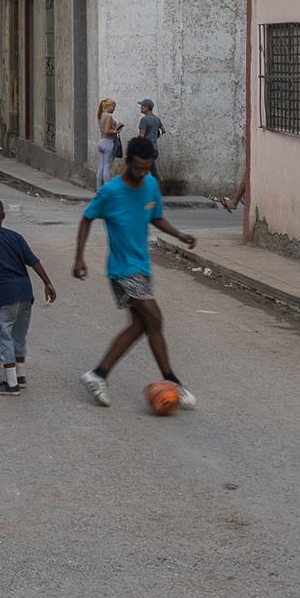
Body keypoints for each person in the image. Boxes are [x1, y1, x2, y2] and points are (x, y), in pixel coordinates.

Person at [73, 136, 197, 410]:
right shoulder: (111, 192)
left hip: (142, 267)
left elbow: (155, 217)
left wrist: (179, 234)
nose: (142, 173)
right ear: (127, 162)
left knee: (141, 325)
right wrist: (79, 258)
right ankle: (173, 381)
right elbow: (87, 218)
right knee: (154, 316)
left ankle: (98, 374)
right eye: (138, 167)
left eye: (147, 168)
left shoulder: (151, 185)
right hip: (122, 269)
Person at [0, 197, 57, 394]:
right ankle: (20, 375)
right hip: (25, 293)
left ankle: (11, 384)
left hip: (4, 295)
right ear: (4, 216)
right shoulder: (16, 236)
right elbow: (33, 261)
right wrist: (47, 282)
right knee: (19, 335)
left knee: (4, 336)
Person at [94, 98, 123, 189]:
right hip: (108, 142)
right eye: (113, 106)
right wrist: (116, 131)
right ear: (108, 106)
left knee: (101, 165)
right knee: (107, 167)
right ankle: (107, 188)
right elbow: (107, 130)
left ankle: (99, 188)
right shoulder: (108, 116)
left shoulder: (100, 115)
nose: (114, 109)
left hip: (101, 142)